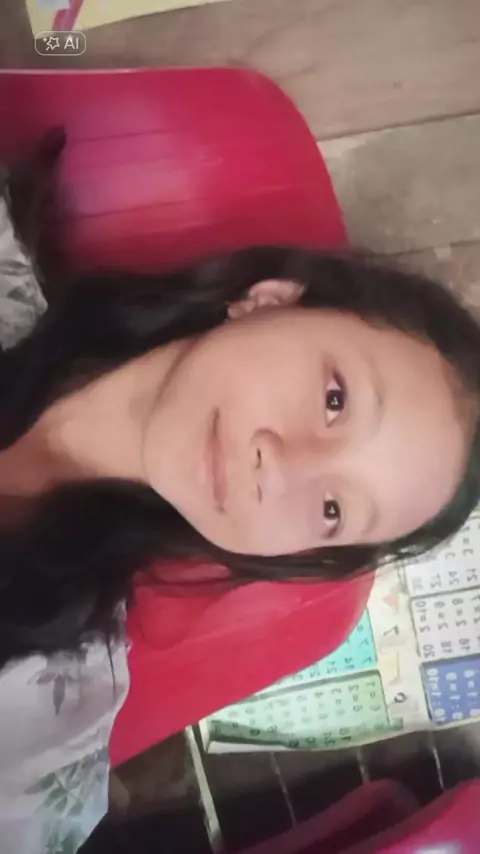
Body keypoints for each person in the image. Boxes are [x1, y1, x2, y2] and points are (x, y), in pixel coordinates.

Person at [1, 134, 480, 852]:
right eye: (335, 399)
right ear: (270, 300)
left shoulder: (51, 705)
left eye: (332, 510)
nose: (281, 465)